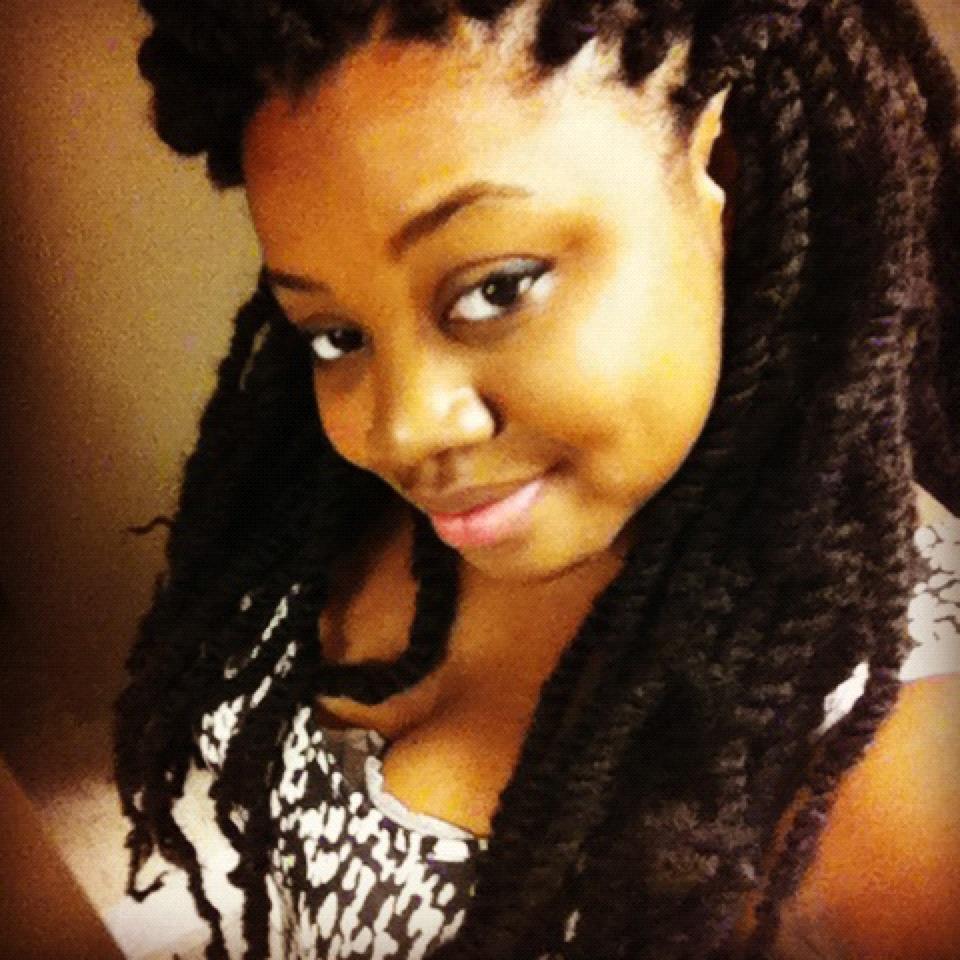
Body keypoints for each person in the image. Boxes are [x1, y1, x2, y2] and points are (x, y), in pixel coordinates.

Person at [114, 1, 960, 958]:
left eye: (497, 288)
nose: (402, 429)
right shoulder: (332, 505)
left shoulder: (907, 763)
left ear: (718, 170)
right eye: (336, 335)